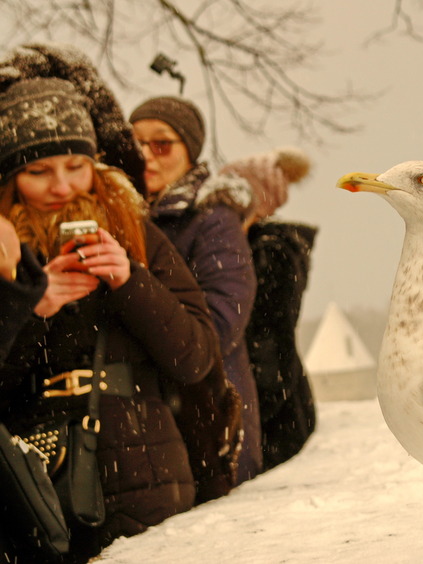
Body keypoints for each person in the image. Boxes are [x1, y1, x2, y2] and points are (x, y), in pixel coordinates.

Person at [0, 77, 237, 562]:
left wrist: (131, 281)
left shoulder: (132, 224)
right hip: (33, 482)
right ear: (9, 177)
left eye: (76, 166)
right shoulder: (3, 250)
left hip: (147, 468)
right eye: (39, 171)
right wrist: (29, 307)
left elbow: (196, 357)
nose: (62, 186)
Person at [129, 96, 261, 483]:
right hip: (155, 419)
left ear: (189, 152)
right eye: (135, 143)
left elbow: (222, 323)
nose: (146, 156)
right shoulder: (126, 216)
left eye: (162, 144)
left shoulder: (212, 220)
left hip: (212, 415)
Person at [220, 147, 318, 469]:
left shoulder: (271, 254)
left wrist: (252, 414)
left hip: (274, 421)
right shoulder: (249, 250)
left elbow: (270, 346)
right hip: (269, 412)